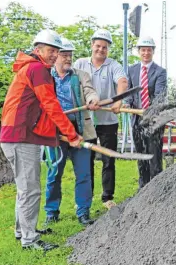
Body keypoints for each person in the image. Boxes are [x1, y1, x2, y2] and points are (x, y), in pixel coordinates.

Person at [0, 29, 82, 251]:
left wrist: (59, 133)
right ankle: (30, 239)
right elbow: (51, 105)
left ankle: (23, 231)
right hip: (20, 137)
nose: (54, 55)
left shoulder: (31, 68)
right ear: (38, 50)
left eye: (57, 51)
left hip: (17, 135)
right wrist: (72, 133)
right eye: (50, 50)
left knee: (24, 188)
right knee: (31, 189)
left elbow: (40, 111)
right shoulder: (37, 70)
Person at [44, 38, 100, 227]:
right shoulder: (46, 77)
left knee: (84, 174)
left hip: (80, 133)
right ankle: (51, 211)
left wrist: (92, 100)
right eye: (64, 55)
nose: (68, 59)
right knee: (54, 173)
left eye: (70, 55)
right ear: (56, 56)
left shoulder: (81, 75)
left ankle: (83, 211)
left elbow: (89, 91)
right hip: (56, 134)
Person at [74, 29, 128, 209]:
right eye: (98, 46)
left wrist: (118, 101)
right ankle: (86, 198)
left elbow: (122, 82)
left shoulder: (113, 65)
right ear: (92, 45)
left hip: (108, 121)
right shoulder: (80, 64)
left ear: (108, 49)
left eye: (104, 47)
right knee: (86, 160)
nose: (101, 50)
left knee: (108, 160)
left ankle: (107, 197)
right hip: (86, 121)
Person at [125, 36, 167, 188]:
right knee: (141, 154)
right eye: (143, 50)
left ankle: (157, 188)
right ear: (139, 51)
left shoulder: (160, 72)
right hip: (137, 120)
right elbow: (130, 92)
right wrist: (128, 104)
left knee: (154, 155)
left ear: (153, 52)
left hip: (154, 121)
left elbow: (159, 95)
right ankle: (143, 187)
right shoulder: (132, 70)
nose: (145, 53)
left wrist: (150, 111)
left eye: (148, 50)